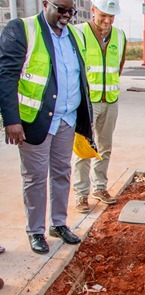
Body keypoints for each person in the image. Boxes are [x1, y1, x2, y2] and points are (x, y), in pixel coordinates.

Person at [0, 0, 93, 254]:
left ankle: (59, 224)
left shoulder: (74, 34)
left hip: (66, 118)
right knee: (35, 177)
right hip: (36, 121)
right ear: (45, 4)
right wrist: (11, 119)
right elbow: (6, 75)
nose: (66, 15)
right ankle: (36, 231)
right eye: (61, 9)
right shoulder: (23, 29)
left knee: (62, 171)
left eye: (70, 11)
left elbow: (78, 75)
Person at [72, 0, 126, 213]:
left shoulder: (120, 37)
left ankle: (100, 187)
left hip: (110, 100)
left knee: (105, 148)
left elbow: (118, 68)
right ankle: (81, 194)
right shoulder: (79, 34)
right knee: (84, 148)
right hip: (86, 102)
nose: (107, 20)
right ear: (93, 10)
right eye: (103, 15)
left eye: (111, 16)